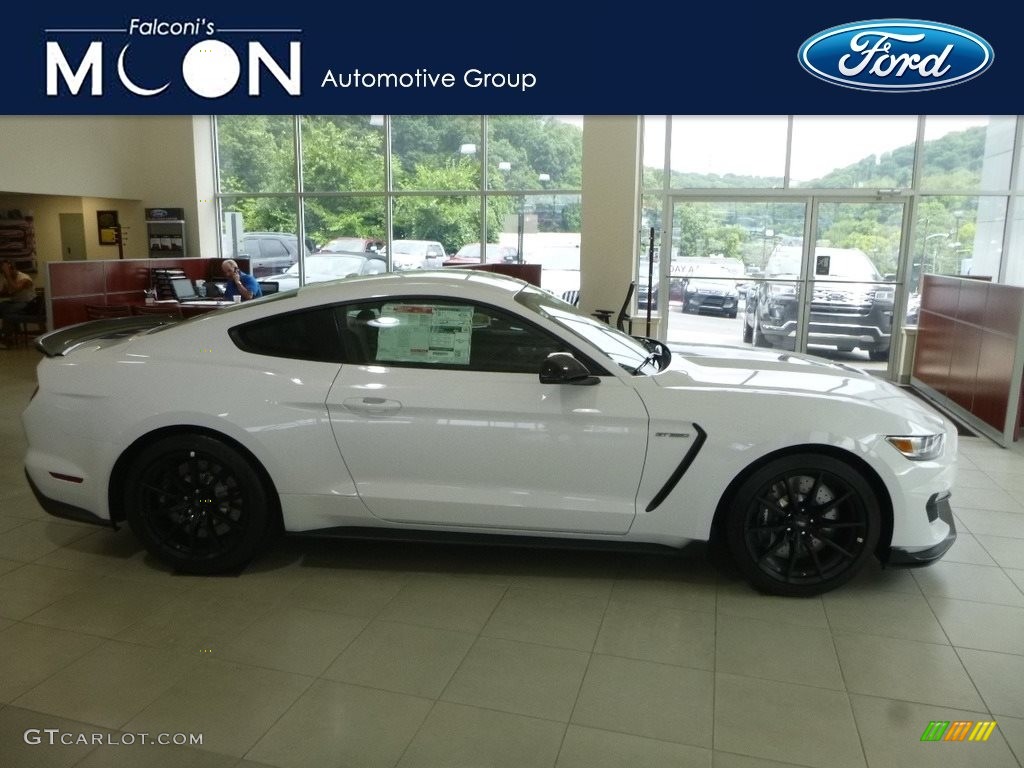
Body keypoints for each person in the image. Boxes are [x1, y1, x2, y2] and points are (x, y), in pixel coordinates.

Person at [0, 260, 36, 349]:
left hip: (28, 304)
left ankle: (6, 337)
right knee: (4, 307)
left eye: (6, 272)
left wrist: (8, 275)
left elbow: (16, 288)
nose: (4, 274)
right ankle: (8, 335)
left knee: (8, 312)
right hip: (15, 303)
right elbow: (5, 293)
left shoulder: (24, 278)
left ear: (13, 269)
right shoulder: (7, 279)